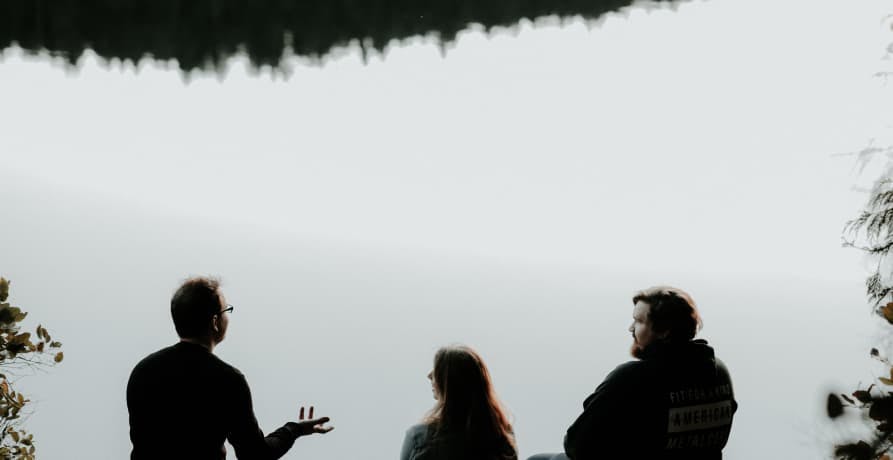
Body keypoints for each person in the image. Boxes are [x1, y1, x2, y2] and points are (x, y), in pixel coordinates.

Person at [127, 276, 333, 459]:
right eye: (227, 310)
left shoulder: (143, 371)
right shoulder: (227, 380)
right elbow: (255, 455)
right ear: (215, 322)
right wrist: (293, 429)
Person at [528, 286, 736, 460]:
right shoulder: (720, 371)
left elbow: (576, 445)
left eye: (639, 321)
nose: (630, 328)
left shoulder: (632, 377)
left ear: (664, 331)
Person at [401, 345, 518, 460]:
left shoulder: (419, 438)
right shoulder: (502, 434)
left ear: (450, 384)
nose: (429, 375)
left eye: (437, 371)